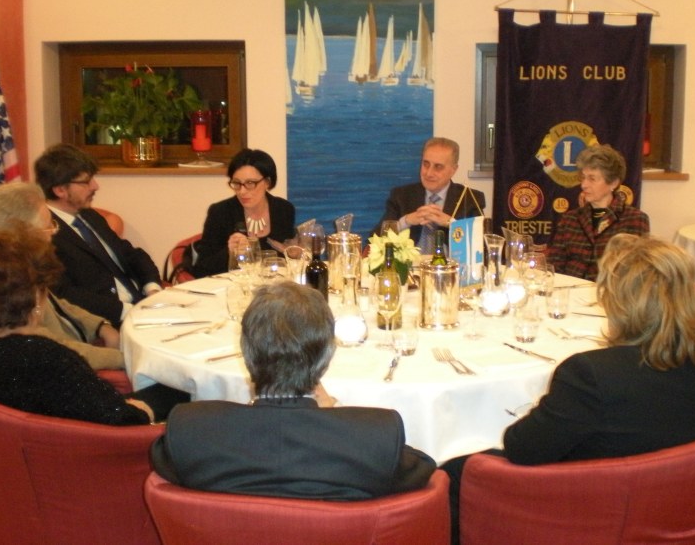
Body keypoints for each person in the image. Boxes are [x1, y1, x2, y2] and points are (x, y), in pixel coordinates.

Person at [443, 235, 695, 542]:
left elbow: (522, 448)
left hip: (592, 512)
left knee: (456, 471)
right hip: (680, 503)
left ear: (619, 303)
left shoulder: (591, 374)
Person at [150, 281, 436, 500]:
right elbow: (427, 470)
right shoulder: (373, 438)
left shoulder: (190, 430)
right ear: (326, 359)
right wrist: (333, 412)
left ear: (246, 354)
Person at [0, 230, 172, 425]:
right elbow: (120, 417)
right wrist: (144, 410)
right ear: (37, 300)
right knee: (178, 391)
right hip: (92, 447)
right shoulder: (48, 358)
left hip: (26, 440)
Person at [0, 182, 124, 371]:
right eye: (48, 227)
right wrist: (123, 359)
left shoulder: (22, 267)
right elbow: (53, 350)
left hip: (77, 353)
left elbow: (60, 306)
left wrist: (101, 326)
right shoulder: (0, 287)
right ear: (22, 233)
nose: (54, 233)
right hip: (65, 370)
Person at [34, 143, 162, 327]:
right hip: (109, 320)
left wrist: (152, 288)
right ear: (60, 190)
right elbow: (66, 294)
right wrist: (126, 311)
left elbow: (132, 255)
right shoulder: (45, 232)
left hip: (142, 305)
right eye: (86, 182)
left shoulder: (90, 216)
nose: (96, 186)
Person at [545, 144, 649, 281]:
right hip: (569, 290)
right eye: (583, 177)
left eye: (592, 179)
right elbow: (554, 265)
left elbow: (635, 272)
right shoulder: (570, 219)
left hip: (609, 291)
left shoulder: (634, 220)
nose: (583, 185)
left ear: (613, 183)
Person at [190, 149, 296, 278]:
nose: (242, 191)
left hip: (274, 286)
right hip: (233, 286)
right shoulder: (220, 212)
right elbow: (201, 270)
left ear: (267, 182)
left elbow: (287, 260)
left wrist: (293, 253)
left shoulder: (283, 210)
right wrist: (229, 252)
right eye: (237, 183)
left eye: (250, 183)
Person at [375, 137, 486, 253]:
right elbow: (375, 239)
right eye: (426, 164)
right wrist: (405, 221)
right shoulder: (401, 196)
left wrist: (452, 224)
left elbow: (481, 246)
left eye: (438, 167)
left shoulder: (470, 199)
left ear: (453, 170)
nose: (429, 173)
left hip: (451, 264)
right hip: (411, 264)